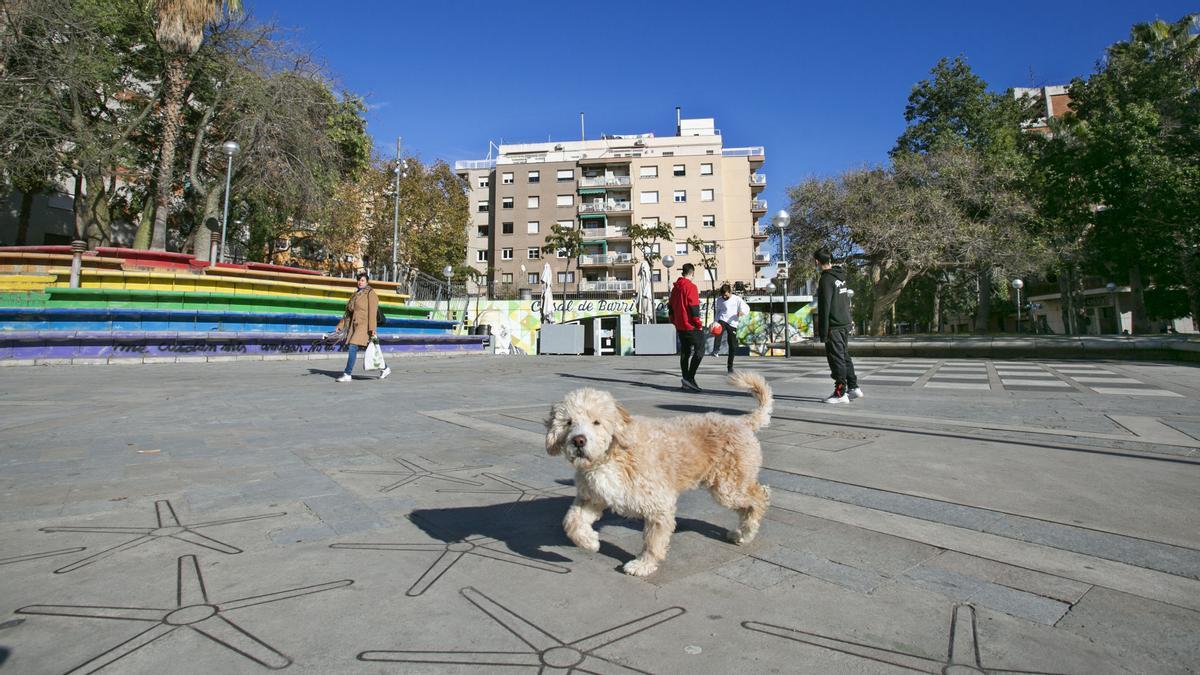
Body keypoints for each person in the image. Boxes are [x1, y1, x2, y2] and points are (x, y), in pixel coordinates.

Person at [813, 248, 861, 404]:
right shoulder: (840, 275)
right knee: (844, 356)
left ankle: (840, 393)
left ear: (817, 262)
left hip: (834, 325)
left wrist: (823, 331)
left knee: (836, 359)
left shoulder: (826, 279)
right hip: (844, 322)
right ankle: (853, 388)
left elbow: (824, 307)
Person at [333, 271, 390, 383]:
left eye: (362, 280)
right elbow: (348, 313)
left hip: (365, 326)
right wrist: (340, 325)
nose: (360, 282)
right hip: (355, 326)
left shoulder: (370, 293)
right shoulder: (355, 294)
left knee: (353, 346)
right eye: (358, 280)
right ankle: (385, 368)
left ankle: (347, 373)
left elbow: (373, 312)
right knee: (370, 349)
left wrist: (372, 329)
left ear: (367, 282)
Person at [668, 263, 705, 391]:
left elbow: (670, 307)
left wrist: (674, 321)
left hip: (680, 326)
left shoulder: (675, 288)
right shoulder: (691, 287)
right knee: (700, 350)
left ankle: (686, 379)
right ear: (692, 273)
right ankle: (690, 378)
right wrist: (698, 324)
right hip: (691, 326)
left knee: (685, 352)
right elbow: (694, 307)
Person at [712, 283, 749, 373]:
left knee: (732, 346)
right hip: (723, 319)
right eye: (722, 295)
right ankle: (716, 349)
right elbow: (718, 311)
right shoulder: (719, 300)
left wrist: (741, 312)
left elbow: (746, 308)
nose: (724, 297)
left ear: (730, 292)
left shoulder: (737, 299)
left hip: (733, 323)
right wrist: (715, 321)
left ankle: (730, 367)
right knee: (718, 330)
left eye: (726, 295)